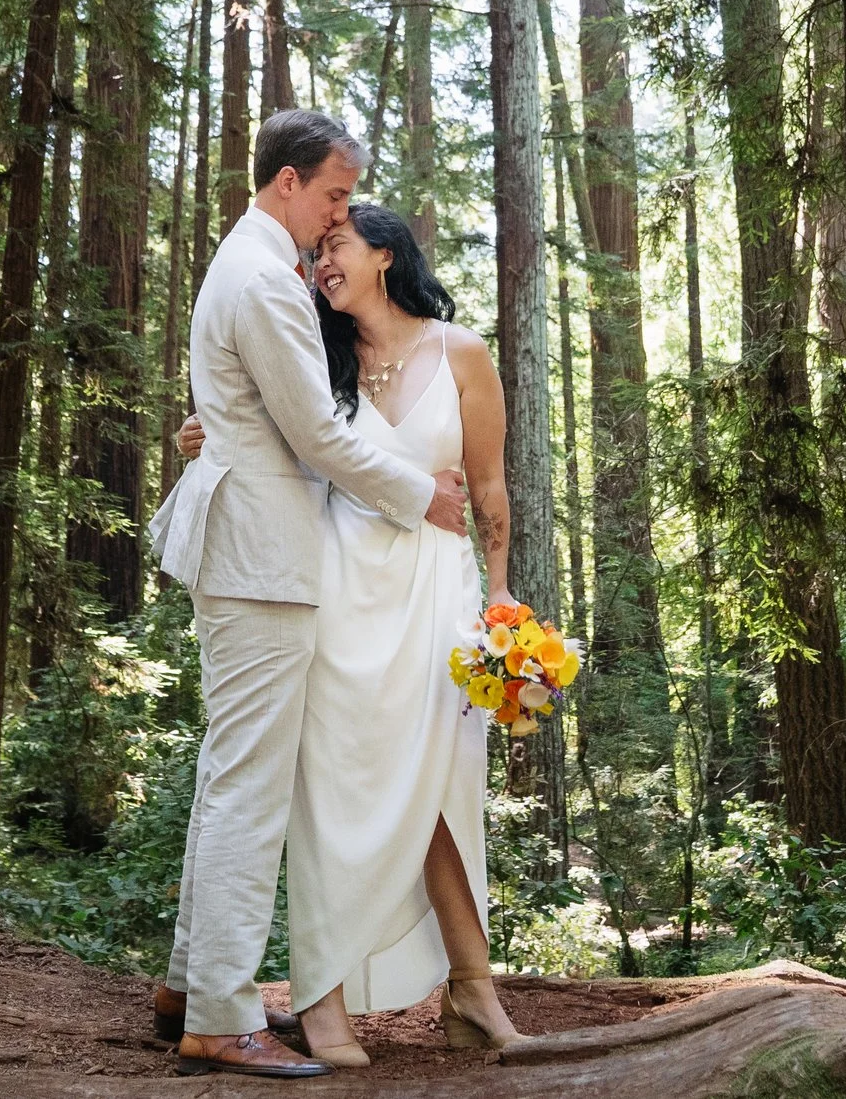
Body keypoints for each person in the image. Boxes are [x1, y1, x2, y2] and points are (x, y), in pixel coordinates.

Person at [145, 110, 471, 1080]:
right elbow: (318, 439)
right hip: (260, 559)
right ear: (287, 180)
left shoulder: (252, 267)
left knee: (228, 775)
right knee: (250, 787)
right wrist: (424, 497)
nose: (339, 213)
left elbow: (264, 417)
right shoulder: (260, 277)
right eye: (333, 192)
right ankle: (219, 1012)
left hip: (252, 551)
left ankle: (187, 983)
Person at [178, 201, 529, 1068]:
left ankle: (474, 989)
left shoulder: (462, 352)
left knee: (445, 788)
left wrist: (500, 600)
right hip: (337, 593)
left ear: (384, 255)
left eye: (335, 244)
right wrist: (201, 433)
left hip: (437, 597)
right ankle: (323, 996)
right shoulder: (317, 353)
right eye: (316, 246)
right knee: (327, 794)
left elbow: (489, 487)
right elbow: (262, 430)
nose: (320, 258)